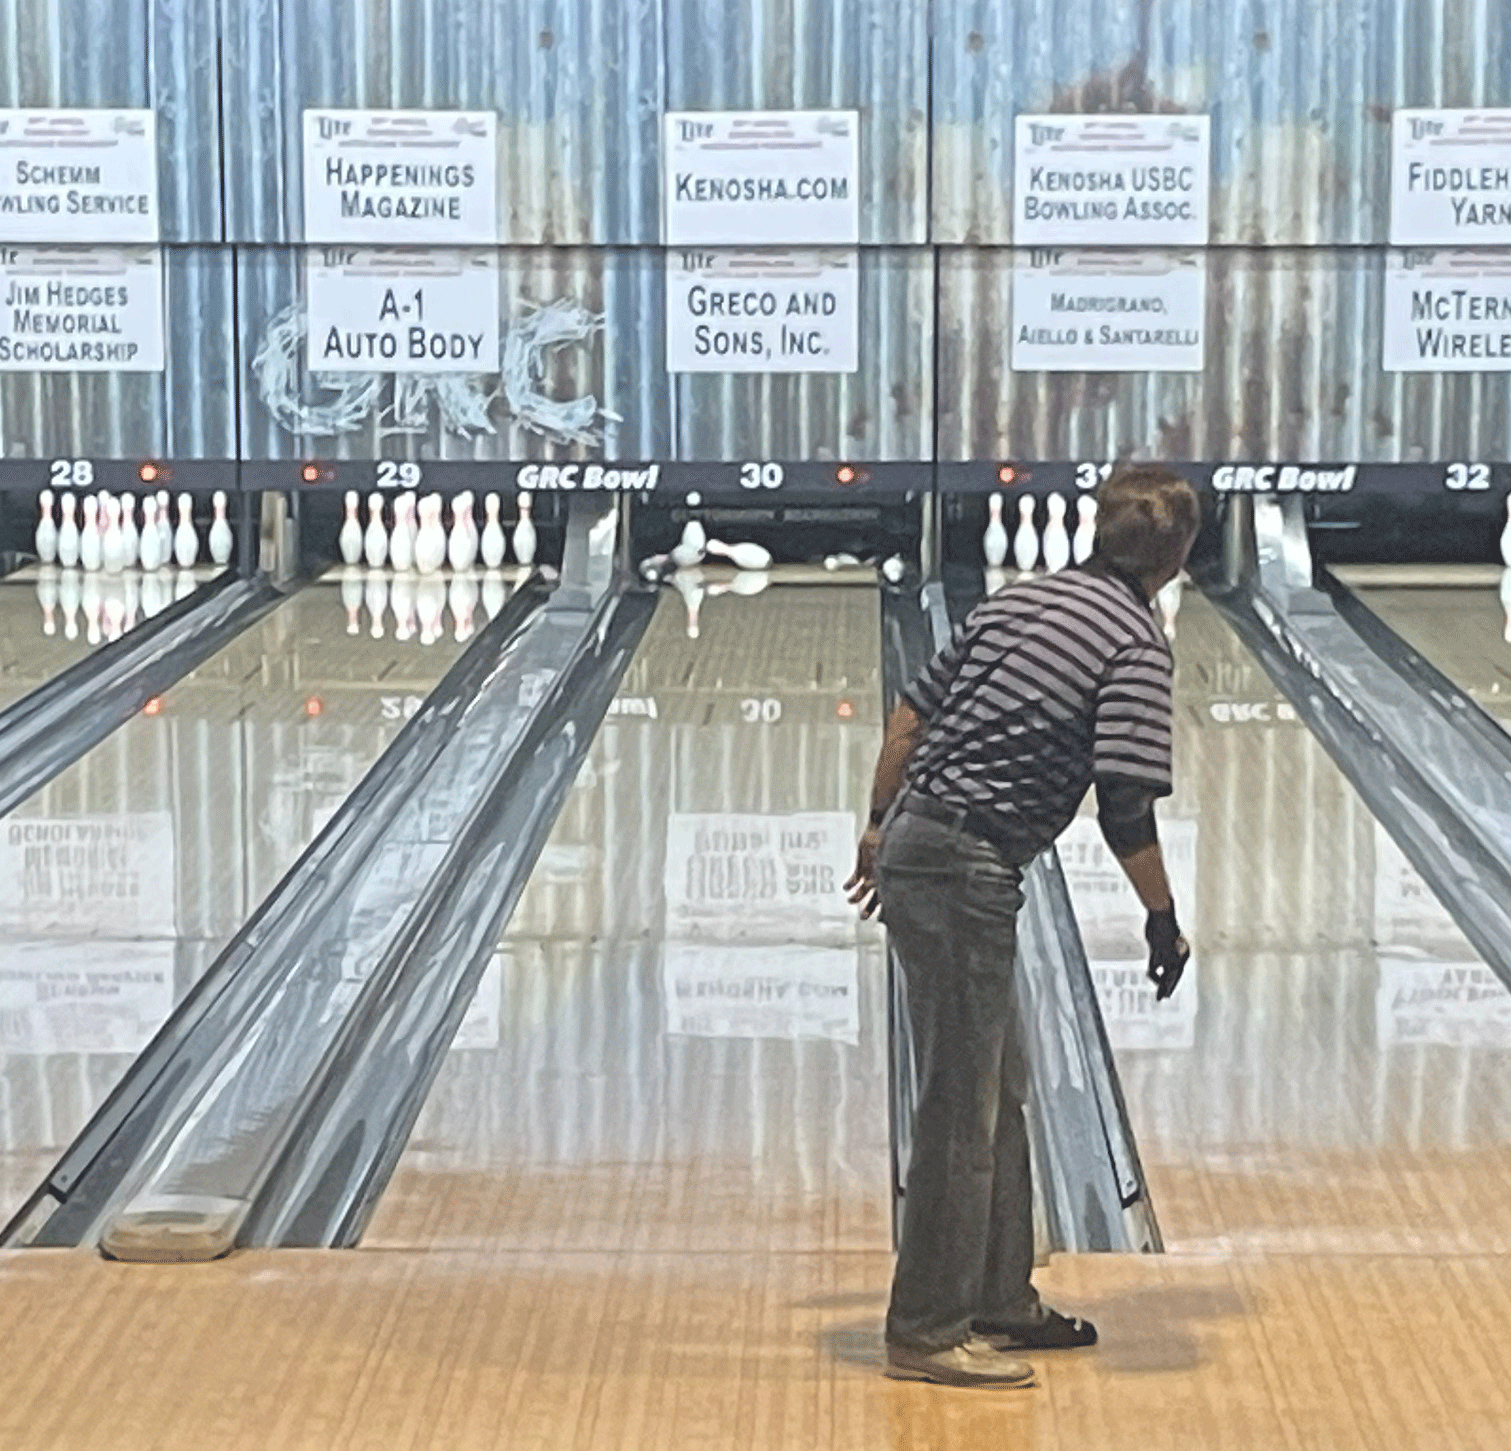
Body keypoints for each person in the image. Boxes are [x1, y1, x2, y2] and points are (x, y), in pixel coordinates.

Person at [846, 464, 1199, 1389]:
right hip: (966, 863)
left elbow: (908, 715)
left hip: (928, 836)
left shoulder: (1017, 602)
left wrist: (882, 826)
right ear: (1178, 555)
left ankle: (998, 1295)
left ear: (1095, 528)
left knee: (997, 1091)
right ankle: (924, 1328)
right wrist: (1162, 918)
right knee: (963, 1110)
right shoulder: (1132, 641)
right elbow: (1124, 806)